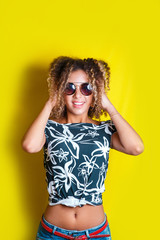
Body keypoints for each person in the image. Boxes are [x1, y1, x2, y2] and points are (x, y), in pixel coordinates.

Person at [21, 56, 144, 240]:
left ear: (96, 92)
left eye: (87, 88)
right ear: (60, 91)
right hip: (53, 233)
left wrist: (108, 106)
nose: (78, 95)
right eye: (69, 87)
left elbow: (136, 147)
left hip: (95, 234)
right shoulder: (49, 128)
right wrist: (50, 103)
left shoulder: (104, 129)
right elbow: (29, 146)